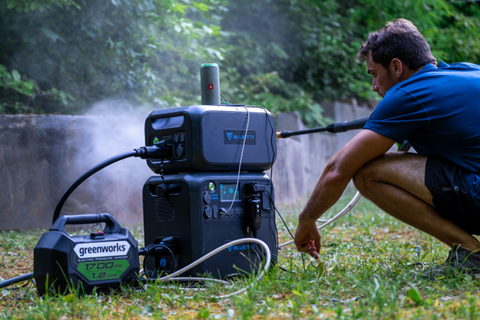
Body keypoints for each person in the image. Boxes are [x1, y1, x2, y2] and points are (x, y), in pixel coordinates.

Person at [294, 18, 480, 279]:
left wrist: (306, 220)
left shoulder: (409, 94)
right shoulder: (466, 71)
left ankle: (471, 253)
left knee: (367, 171)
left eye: (374, 74)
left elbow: (338, 169)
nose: (374, 86)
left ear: (396, 67)